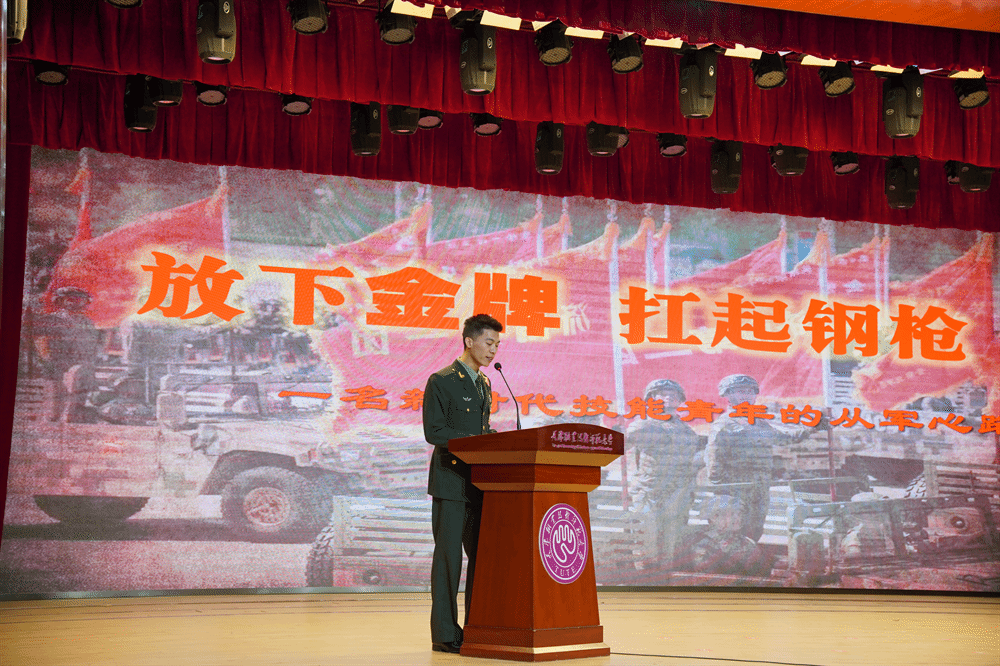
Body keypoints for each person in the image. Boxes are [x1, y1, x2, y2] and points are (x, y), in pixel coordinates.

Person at [422, 313, 502, 654]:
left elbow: (480, 430)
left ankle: (476, 627)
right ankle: (444, 633)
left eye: (497, 344)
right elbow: (434, 431)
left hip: (478, 483)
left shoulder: (484, 382)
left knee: (482, 560)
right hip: (451, 482)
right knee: (449, 560)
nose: (493, 350)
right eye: (488, 342)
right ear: (469, 341)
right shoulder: (441, 380)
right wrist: (476, 442)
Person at [627, 378, 702, 569]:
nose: (668, 397)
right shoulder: (644, 425)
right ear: (651, 399)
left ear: (680, 400)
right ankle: (645, 579)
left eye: (673, 394)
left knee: (672, 543)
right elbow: (622, 444)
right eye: (662, 394)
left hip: (677, 493)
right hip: (650, 492)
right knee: (647, 542)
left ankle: (666, 577)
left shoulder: (686, 431)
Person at [704, 374, 785, 542]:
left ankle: (748, 554)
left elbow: (782, 438)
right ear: (728, 395)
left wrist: (813, 428)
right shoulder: (724, 424)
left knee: (755, 528)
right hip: (735, 487)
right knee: (730, 531)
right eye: (740, 391)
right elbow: (713, 458)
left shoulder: (759, 423)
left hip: (759, 486)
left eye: (750, 391)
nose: (746, 396)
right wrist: (722, 489)